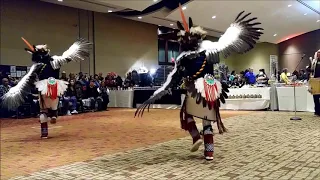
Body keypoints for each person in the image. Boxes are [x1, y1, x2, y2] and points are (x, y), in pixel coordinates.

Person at [135, 7, 263, 160]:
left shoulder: (183, 58)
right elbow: (230, 38)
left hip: (195, 89)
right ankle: (209, 152)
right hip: (212, 88)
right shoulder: (212, 48)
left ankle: (196, 137)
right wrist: (237, 28)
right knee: (207, 121)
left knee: (187, 115)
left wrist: (153, 97)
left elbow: (171, 81)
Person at [1, 37, 91, 138]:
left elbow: (25, 80)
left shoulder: (36, 66)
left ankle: (44, 132)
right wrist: (76, 47)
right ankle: (53, 114)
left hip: (43, 86)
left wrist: (12, 92)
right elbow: (68, 56)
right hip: (56, 85)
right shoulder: (55, 60)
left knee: (43, 109)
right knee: (53, 105)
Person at [309, 50, 320, 116]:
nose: (319, 54)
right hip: (315, 81)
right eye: (318, 53)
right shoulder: (314, 61)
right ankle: (317, 111)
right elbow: (310, 69)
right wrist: (309, 69)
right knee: (315, 97)